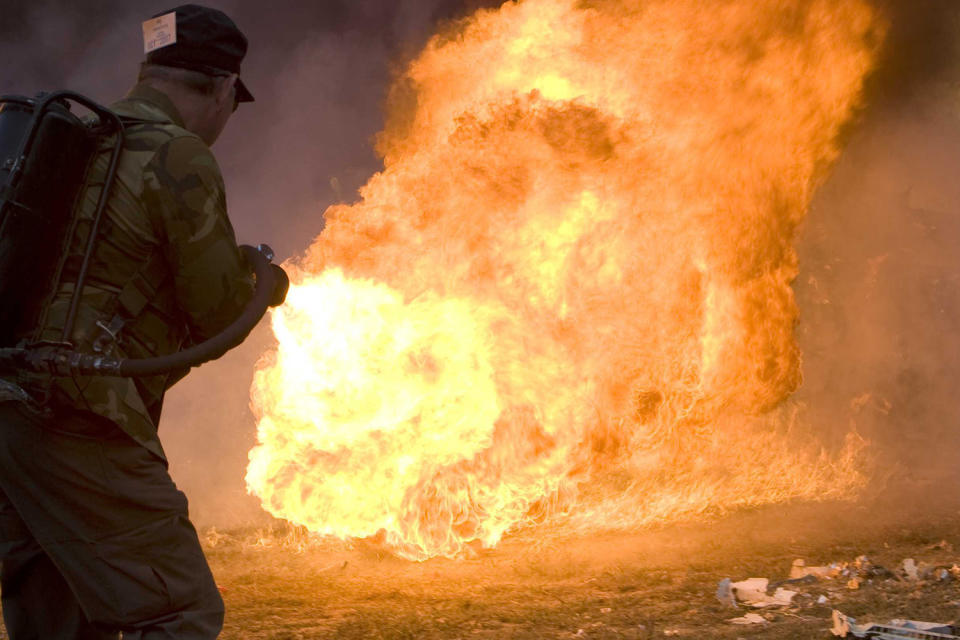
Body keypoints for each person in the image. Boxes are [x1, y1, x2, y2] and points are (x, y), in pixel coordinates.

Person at [0, 5, 278, 638]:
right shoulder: (176, 155)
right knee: (177, 610)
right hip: (75, 410)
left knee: (57, 613)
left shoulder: (75, 140)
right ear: (224, 88)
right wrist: (264, 280)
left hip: (11, 401)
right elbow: (214, 313)